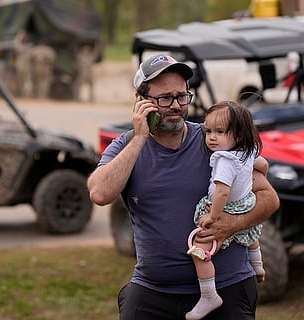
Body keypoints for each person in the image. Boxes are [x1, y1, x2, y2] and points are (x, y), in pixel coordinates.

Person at [87, 54, 279, 320]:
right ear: (140, 101)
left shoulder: (213, 141)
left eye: (181, 96)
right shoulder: (126, 146)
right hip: (154, 291)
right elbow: (99, 193)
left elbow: (270, 198)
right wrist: (141, 138)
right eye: (165, 98)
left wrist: (231, 225)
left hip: (227, 287)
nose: (176, 105)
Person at [185, 101, 268, 320]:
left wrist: (213, 216)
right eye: (208, 130)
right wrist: (252, 181)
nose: (211, 137)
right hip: (246, 203)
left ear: (239, 135)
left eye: (220, 132)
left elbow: (221, 192)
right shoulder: (247, 152)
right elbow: (264, 164)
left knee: (199, 247)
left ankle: (209, 294)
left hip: (224, 207)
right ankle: (258, 265)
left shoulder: (225, 159)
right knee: (249, 233)